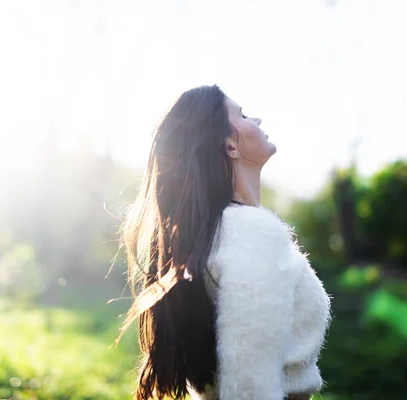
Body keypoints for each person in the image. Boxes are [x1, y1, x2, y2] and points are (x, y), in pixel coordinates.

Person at [118, 85, 331, 400]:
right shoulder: (250, 232)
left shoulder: (220, 231)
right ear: (230, 146)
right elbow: (249, 384)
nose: (256, 119)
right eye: (243, 115)